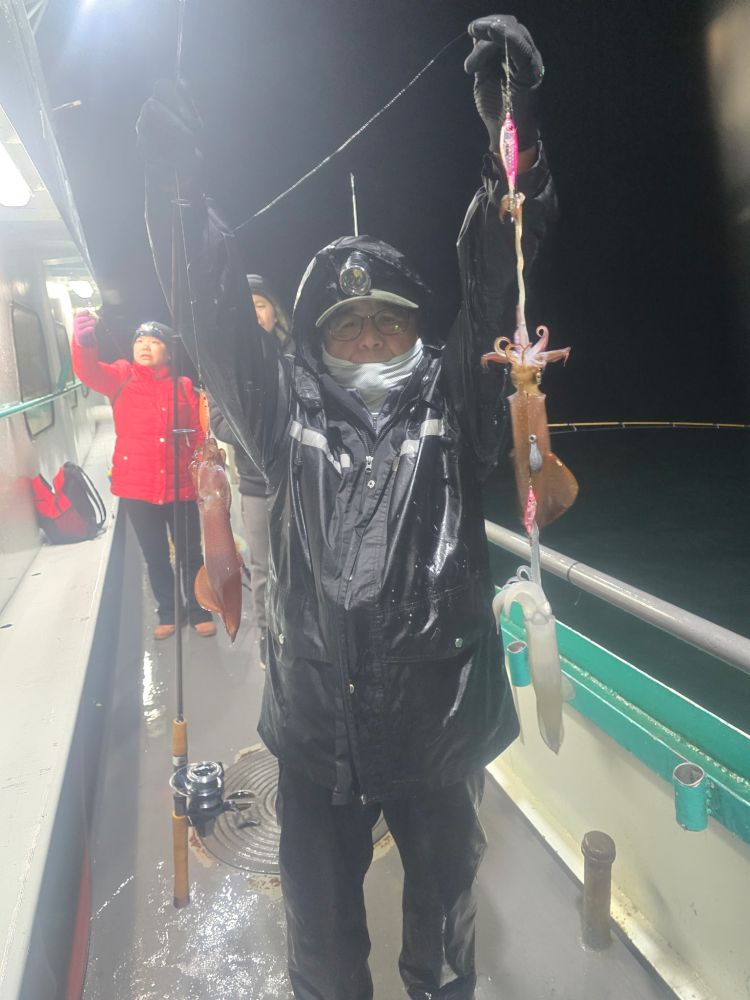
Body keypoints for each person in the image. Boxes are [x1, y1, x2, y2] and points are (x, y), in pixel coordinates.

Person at [137, 13, 555, 999]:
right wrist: (171, 183)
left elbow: (507, 256)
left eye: (388, 318)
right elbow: (202, 298)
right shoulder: (284, 410)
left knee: (445, 917)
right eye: (348, 322)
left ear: (416, 327)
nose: (369, 333)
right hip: (315, 725)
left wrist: (513, 128)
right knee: (322, 946)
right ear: (318, 340)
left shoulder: (455, 392)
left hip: (438, 721)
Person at [72, 313, 217, 639]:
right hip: (137, 489)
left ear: (168, 352)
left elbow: (197, 435)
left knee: (191, 554)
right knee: (155, 556)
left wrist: (204, 476)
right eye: (140, 341)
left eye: (154, 342)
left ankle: (199, 610)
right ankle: (169, 612)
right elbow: (88, 371)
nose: (145, 347)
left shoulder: (184, 388)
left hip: (181, 488)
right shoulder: (121, 376)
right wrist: (85, 343)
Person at [209, 275, 293, 668]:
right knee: (263, 567)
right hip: (258, 485)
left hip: (300, 479)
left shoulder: (298, 355)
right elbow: (219, 422)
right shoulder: (221, 363)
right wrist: (260, 421)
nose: (253, 312)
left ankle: (305, 635)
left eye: (259, 303)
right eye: (244, 306)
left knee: (305, 562)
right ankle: (267, 641)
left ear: (275, 311)